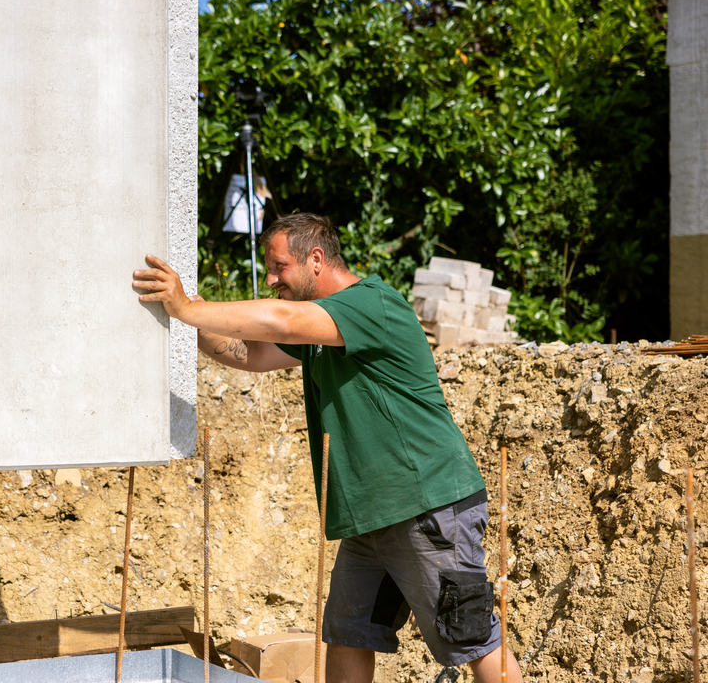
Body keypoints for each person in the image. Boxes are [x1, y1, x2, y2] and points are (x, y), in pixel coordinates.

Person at [132, 213, 523, 683]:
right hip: (371, 517)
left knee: (471, 637)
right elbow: (251, 353)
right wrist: (184, 310)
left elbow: (282, 319)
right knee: (348, 634)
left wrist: (188, 308)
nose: (272, 278)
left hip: (426, 506)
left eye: (279, 267)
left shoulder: (370, 304)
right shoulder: (321, 332)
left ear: (315, 259)